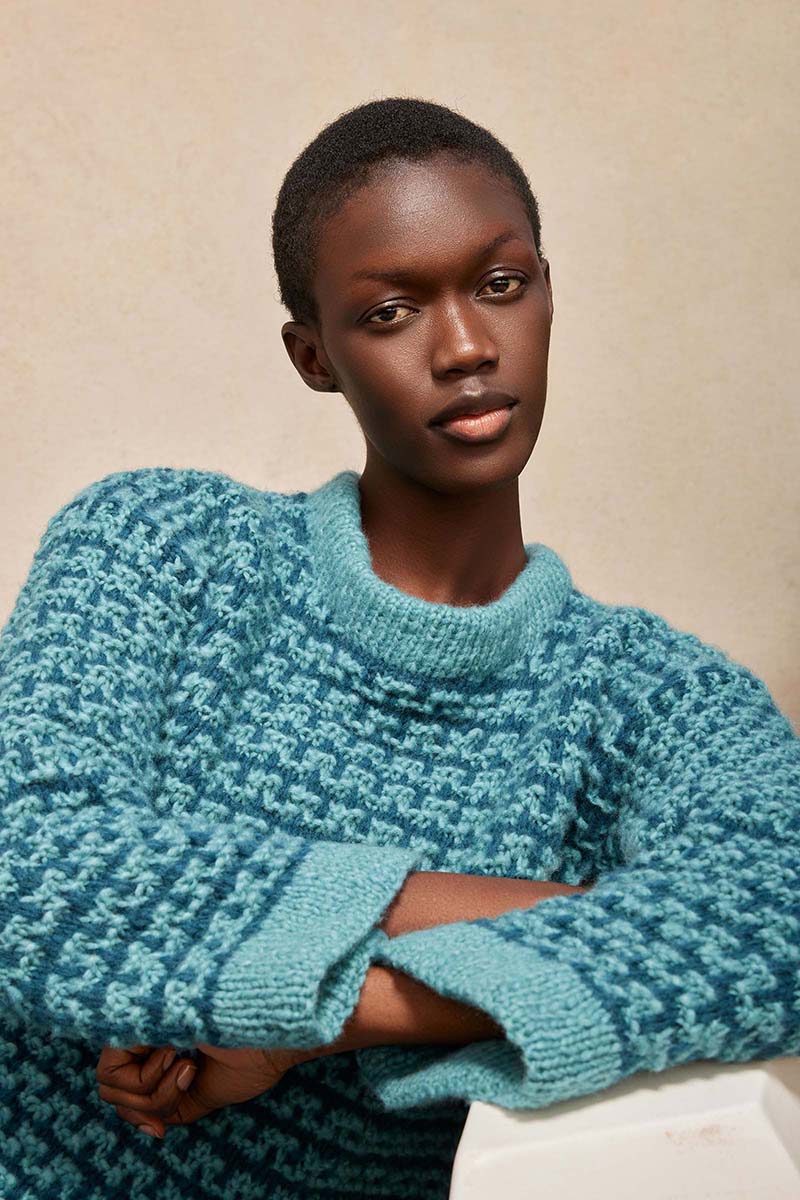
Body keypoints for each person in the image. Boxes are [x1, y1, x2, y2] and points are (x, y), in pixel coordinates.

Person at [1, 96, 797, 1199]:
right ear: (313, 356)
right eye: (389, 312)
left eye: (500, 284)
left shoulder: (655, 698)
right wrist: (566, 918)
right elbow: (31, 871)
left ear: (547, 293)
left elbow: (774, 919)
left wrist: (314, 1017)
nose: (465, 346)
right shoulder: (163, 545)